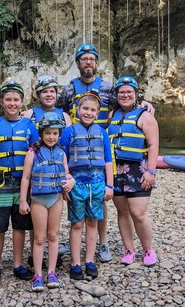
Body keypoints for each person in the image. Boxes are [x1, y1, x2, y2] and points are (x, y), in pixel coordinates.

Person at [55, 44, 154, 263]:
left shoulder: (108, 87)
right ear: (78, 63)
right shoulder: (70, 89)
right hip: (78, 152)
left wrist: (146, 103)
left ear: (96, 62)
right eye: (84, 59)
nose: (88, 62)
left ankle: (103, 243)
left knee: (100, 200)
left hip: (101, 151)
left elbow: (127, 103)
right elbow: (56, 110)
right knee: (77, 197)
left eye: (92, 58)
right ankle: (75, 239)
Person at [0, 80, 38, 287]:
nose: (12, 103)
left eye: (16, 100)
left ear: (22, 103)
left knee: (20, 227)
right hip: (0, 184)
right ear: (2, 102)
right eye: (8, 100)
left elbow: (38, 152)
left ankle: (17, 265)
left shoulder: (30, 128)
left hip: (23, 186)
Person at [58, 91, 114, 280]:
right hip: (77, 184)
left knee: (92, 222)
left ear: (98, 113)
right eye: (85, 109)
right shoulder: (68, 132)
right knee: (76, 224)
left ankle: (89, 260)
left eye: (92, 110)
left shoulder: (102, 133)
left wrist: (110, 186)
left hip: (97, 184)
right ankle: (75, 263)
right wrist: (65, 181)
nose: (88, 113)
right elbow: (62, 157)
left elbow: (108, 160)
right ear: (77, 110)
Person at [19, 112, 75, 292]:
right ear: (42, 134)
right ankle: (37, 274)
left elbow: (66, 173)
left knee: (54, 235)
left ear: (59, 134)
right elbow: (26, 178)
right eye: (48, 133)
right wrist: (23, 201)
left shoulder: (61, 153)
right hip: (38, 201)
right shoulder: (32, 153)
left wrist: (70, 180)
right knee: (39, 238)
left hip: (56, 199)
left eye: (55, 133)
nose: (51, 137)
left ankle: (52, 272)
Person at [108, 76, 159, 267]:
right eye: (121, 92)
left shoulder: (145, 115)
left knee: (138, 212)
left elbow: (153, 145)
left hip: (138, 170)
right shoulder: (113, 115)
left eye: (129, 92)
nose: (125, 95)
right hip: (116, 170)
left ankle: (148, 250)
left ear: (136, 94)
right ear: (117, 95)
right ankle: (129, 250)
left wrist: (151, 172)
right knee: (122, 211)